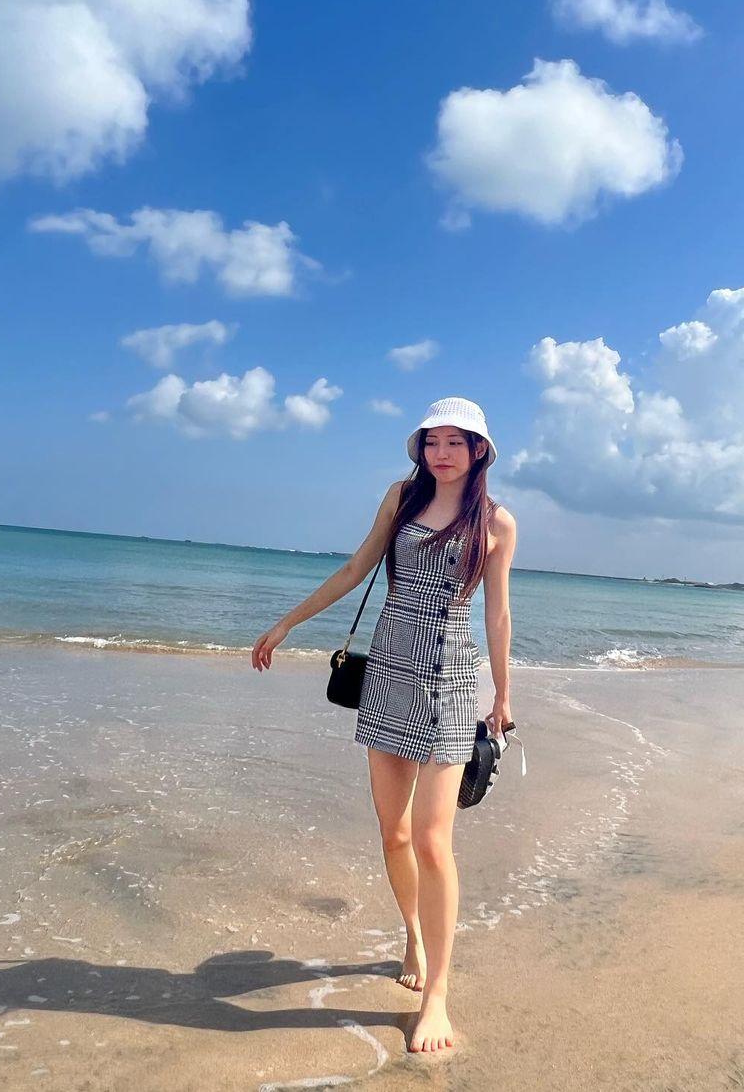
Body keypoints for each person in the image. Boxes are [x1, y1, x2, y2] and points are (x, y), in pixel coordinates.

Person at [251, 396, 517, 1055]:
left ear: (479, 450)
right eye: (432, 441)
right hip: (389, 672)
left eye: (455, 441)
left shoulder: (496, 522)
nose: (442, 452)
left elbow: (497, 613)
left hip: (451, 681)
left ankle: (437, 997)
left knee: (431, 840)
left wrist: (503, 695)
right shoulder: (400, 498)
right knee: (394, 832)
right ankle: (414, 936)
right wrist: (286, 623)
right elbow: (355, 568)